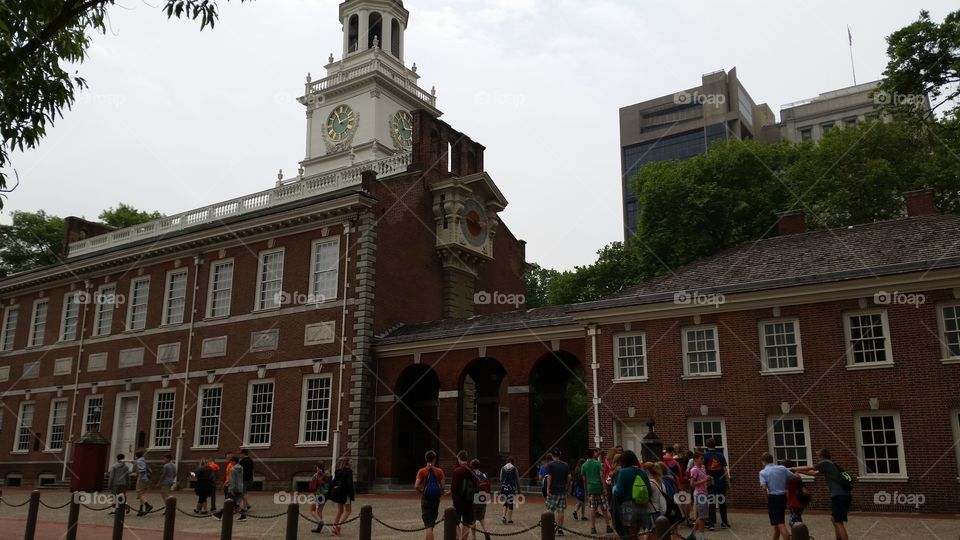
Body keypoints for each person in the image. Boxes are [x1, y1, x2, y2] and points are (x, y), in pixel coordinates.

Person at [790, 449, 851, 540]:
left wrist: (791, 468)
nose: (818, 459)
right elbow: (814, 473)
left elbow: (809, 468)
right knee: (834, 519)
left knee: (838, 522)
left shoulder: (825, 463)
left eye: (818, 456)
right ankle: (838, 538)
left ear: (822, 456)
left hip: (839, 496)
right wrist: (799, 472)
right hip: (843, 495)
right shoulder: (831, 465)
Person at [611, 450, 651, 538]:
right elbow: (649, 490)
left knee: (630, 536)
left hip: (628, 506)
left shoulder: (623, 472)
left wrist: (614, 490)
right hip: (643, 505)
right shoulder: (642, 472)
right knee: (636, 534)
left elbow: (619, 491)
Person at [759, 453, 794, 540]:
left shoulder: (763, 472)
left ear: (764, 461)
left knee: (780, 523)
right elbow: (792, 477)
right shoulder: (782, 468)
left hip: (773, 497)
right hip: (783, 497)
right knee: (777, 524)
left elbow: (764, 488)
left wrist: (767, 500)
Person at [580, 448, 613, 536]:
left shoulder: (584, 465)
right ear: (593, 454)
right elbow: (602, 476)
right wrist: (605, 488)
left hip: (591, 489)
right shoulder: (598, 464)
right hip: (599, 488)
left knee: (593, 509)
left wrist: (586, 492)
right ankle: (608, 526)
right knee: (604, 508)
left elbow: (584, 480)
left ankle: (593, 527)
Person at [415, 451, 445, 540]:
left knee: (428, 525)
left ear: (426, 459)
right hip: (435, 500)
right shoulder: (439, 471)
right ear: (434, 459)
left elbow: (416, 486)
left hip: (426, 499)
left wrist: (422, 492)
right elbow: (442, 486)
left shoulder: (421, 471)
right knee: (431, 524)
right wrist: (442, 492)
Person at [703, 438, 730, 530]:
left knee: (711, 503)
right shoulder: (720, 455)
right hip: (721, 482)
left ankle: (711, 524)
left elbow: (703, 470)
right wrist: (728, 481)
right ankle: (724, 522)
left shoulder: (705, 456)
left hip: (710, 482)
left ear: (706, 445)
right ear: (715, 445)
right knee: (722, 502)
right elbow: (725, 470)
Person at [451, 451, 478, 540]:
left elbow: (454, 487)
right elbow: (476, 486)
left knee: (454, 521)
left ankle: (458, 537)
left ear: (459, 459)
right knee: (466, 523)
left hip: (458, 500)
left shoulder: (457, 471)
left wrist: (454, 496)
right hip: (469, 500)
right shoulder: (472, 471)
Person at [544, 449, 571, 536]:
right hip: (562, 490)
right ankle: (560, 529)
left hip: (553, 490)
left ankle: (550, 528)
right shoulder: (565, 465)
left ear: (552, 456)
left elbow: (549, 477)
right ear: (559, 455)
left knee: (550, 510)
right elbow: (569, 477)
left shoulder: (550, 465)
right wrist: (567, 486)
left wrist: (548, 489)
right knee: (561, 510)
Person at [213, 455, 247, 522]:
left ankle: (219, 514)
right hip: (240, 487)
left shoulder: (233, 469)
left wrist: (231, 489)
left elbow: (233, 480)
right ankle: (243, 516)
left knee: (229, 503)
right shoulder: (241, 468)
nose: (230, 463)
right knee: (235, 504)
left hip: (234, 488)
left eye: (231, 461)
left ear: (233, 461)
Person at [328, 456, 355, 536]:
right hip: (345, 494)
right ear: (347, 463)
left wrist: (329, 492)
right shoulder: (349, 472)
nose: (351, 463)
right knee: (348, 511)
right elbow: (350, 484)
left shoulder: (339, 471)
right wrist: (351, 495)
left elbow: (333, 481)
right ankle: (338, 527)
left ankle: (334, 527)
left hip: (338, 493)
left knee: (340, 511)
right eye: (350, 461)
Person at [688, 452, 712, 540]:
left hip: (704, 493)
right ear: (695, 459)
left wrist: (708, 480)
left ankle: (692, 534)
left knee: (703, 516)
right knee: (702, 517)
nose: (703, 460)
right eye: (701, 458)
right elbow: (692, 484)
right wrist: (704, 480)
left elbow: (705, 483)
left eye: (703, 458)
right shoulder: (694, 470)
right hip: (699, 494)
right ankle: (702, 537)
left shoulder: (702, 468)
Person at [782, 460, 808, 527]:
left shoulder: (790, 477)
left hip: (794, 501)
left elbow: (785, 487)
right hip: (800, 500)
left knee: (794, 522)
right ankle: (800, 535)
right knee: (797, 520)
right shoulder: (796, 474)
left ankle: (800, 536)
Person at [470, 459, 491, 540]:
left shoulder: (471, 474)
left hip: (474, 498)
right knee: (482, 518)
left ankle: (474, 537)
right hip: (483, 497)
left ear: (472, 466)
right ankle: (486, 532)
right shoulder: (483, 474)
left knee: (473, 519)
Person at [310, 461, 332, 533]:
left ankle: (320, 522)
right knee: (319, 510)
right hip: (325, 494)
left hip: (318, 494)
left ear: (317, 467)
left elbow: (311, 486)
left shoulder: (316, 475)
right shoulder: (328, 474)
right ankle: (319, 528)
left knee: (312, 510)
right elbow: (330, 482)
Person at [498, 457, 520, 524]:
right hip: (511, 488)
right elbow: (517, 480)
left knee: (506, 502)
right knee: (510, 503)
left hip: (504, 488)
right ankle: (509, 519)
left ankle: (503, 516)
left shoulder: (502, 468)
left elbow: (501, 479)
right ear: (512, 462)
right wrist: (519, 489)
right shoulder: (514, 468)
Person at [133, 450, 153, 516]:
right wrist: (124, 460)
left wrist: (139, 478)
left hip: (142, 479)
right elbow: (133, 461)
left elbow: (142, 471)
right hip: (146, 479)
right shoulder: (143, 460)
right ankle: (140, 509)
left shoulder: (139, 461)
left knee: (139, 493)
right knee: (142, 494)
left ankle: (148, 505)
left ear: (136, 456)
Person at [570, 457, 586, 521]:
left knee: (581, 501)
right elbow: (583, 480)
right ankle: (579, 513)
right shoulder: (582, 471)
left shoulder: (576, 469)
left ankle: (580, 514)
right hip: (581, 487)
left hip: (577, 487)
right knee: (582, 501)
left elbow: (574, 480)